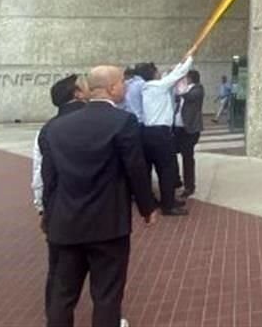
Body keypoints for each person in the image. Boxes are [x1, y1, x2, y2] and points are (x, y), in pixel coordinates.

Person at [39, 65, 158, 327]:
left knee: (62, 294)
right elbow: (135, 169)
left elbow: (49, 179)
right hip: (108, 223)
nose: (125, 88)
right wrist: (147, 207)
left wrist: (47, 214)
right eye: (123, 84)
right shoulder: (122, 122)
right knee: (107, 294)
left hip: (64, 221)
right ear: (113, 87)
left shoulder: (54, 128)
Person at [141, 56, 193, 217]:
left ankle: (167, 200)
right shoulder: (158, 86)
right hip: (161, 134)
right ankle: (168, 206)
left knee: (161, 169)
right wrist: (189, 58)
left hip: (148, 133)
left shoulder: (148, 87)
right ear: (153, 74)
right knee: (167, 170)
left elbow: (171, 76)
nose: (159, 73)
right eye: (157, 70)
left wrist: (179, 63)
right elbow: (178, 74)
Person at [32, 75, 90, 214]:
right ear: (78, 93)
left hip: (60, 205)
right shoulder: (100, 120)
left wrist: (41, 203)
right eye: (87, 83)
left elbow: (40, 170)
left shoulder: (46, 129)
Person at [174, 70, 204, 199]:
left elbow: (188, 96)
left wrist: (179, 87)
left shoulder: (198, 89)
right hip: (178, 128)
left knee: (187, 158)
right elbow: (177, 98)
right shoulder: (186, 89)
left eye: (186, 78)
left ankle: (189, 186)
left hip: (189, 129)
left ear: (191, 78)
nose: (184, 80)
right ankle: (176, 180)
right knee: (171, 153)